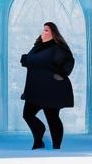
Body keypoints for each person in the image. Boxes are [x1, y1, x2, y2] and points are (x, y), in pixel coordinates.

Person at [20, 21, 75, 150]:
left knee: (52, 118)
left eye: (46, 30)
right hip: (35, 89)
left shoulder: (57, 48)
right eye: (43, 30)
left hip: (52, 88)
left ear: (53, 33)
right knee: (27, 114)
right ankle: (39, 136)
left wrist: (61, 74)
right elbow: (29, 60)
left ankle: (56, 146)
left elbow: (68, 62)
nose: (43, 33)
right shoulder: (38, 47)